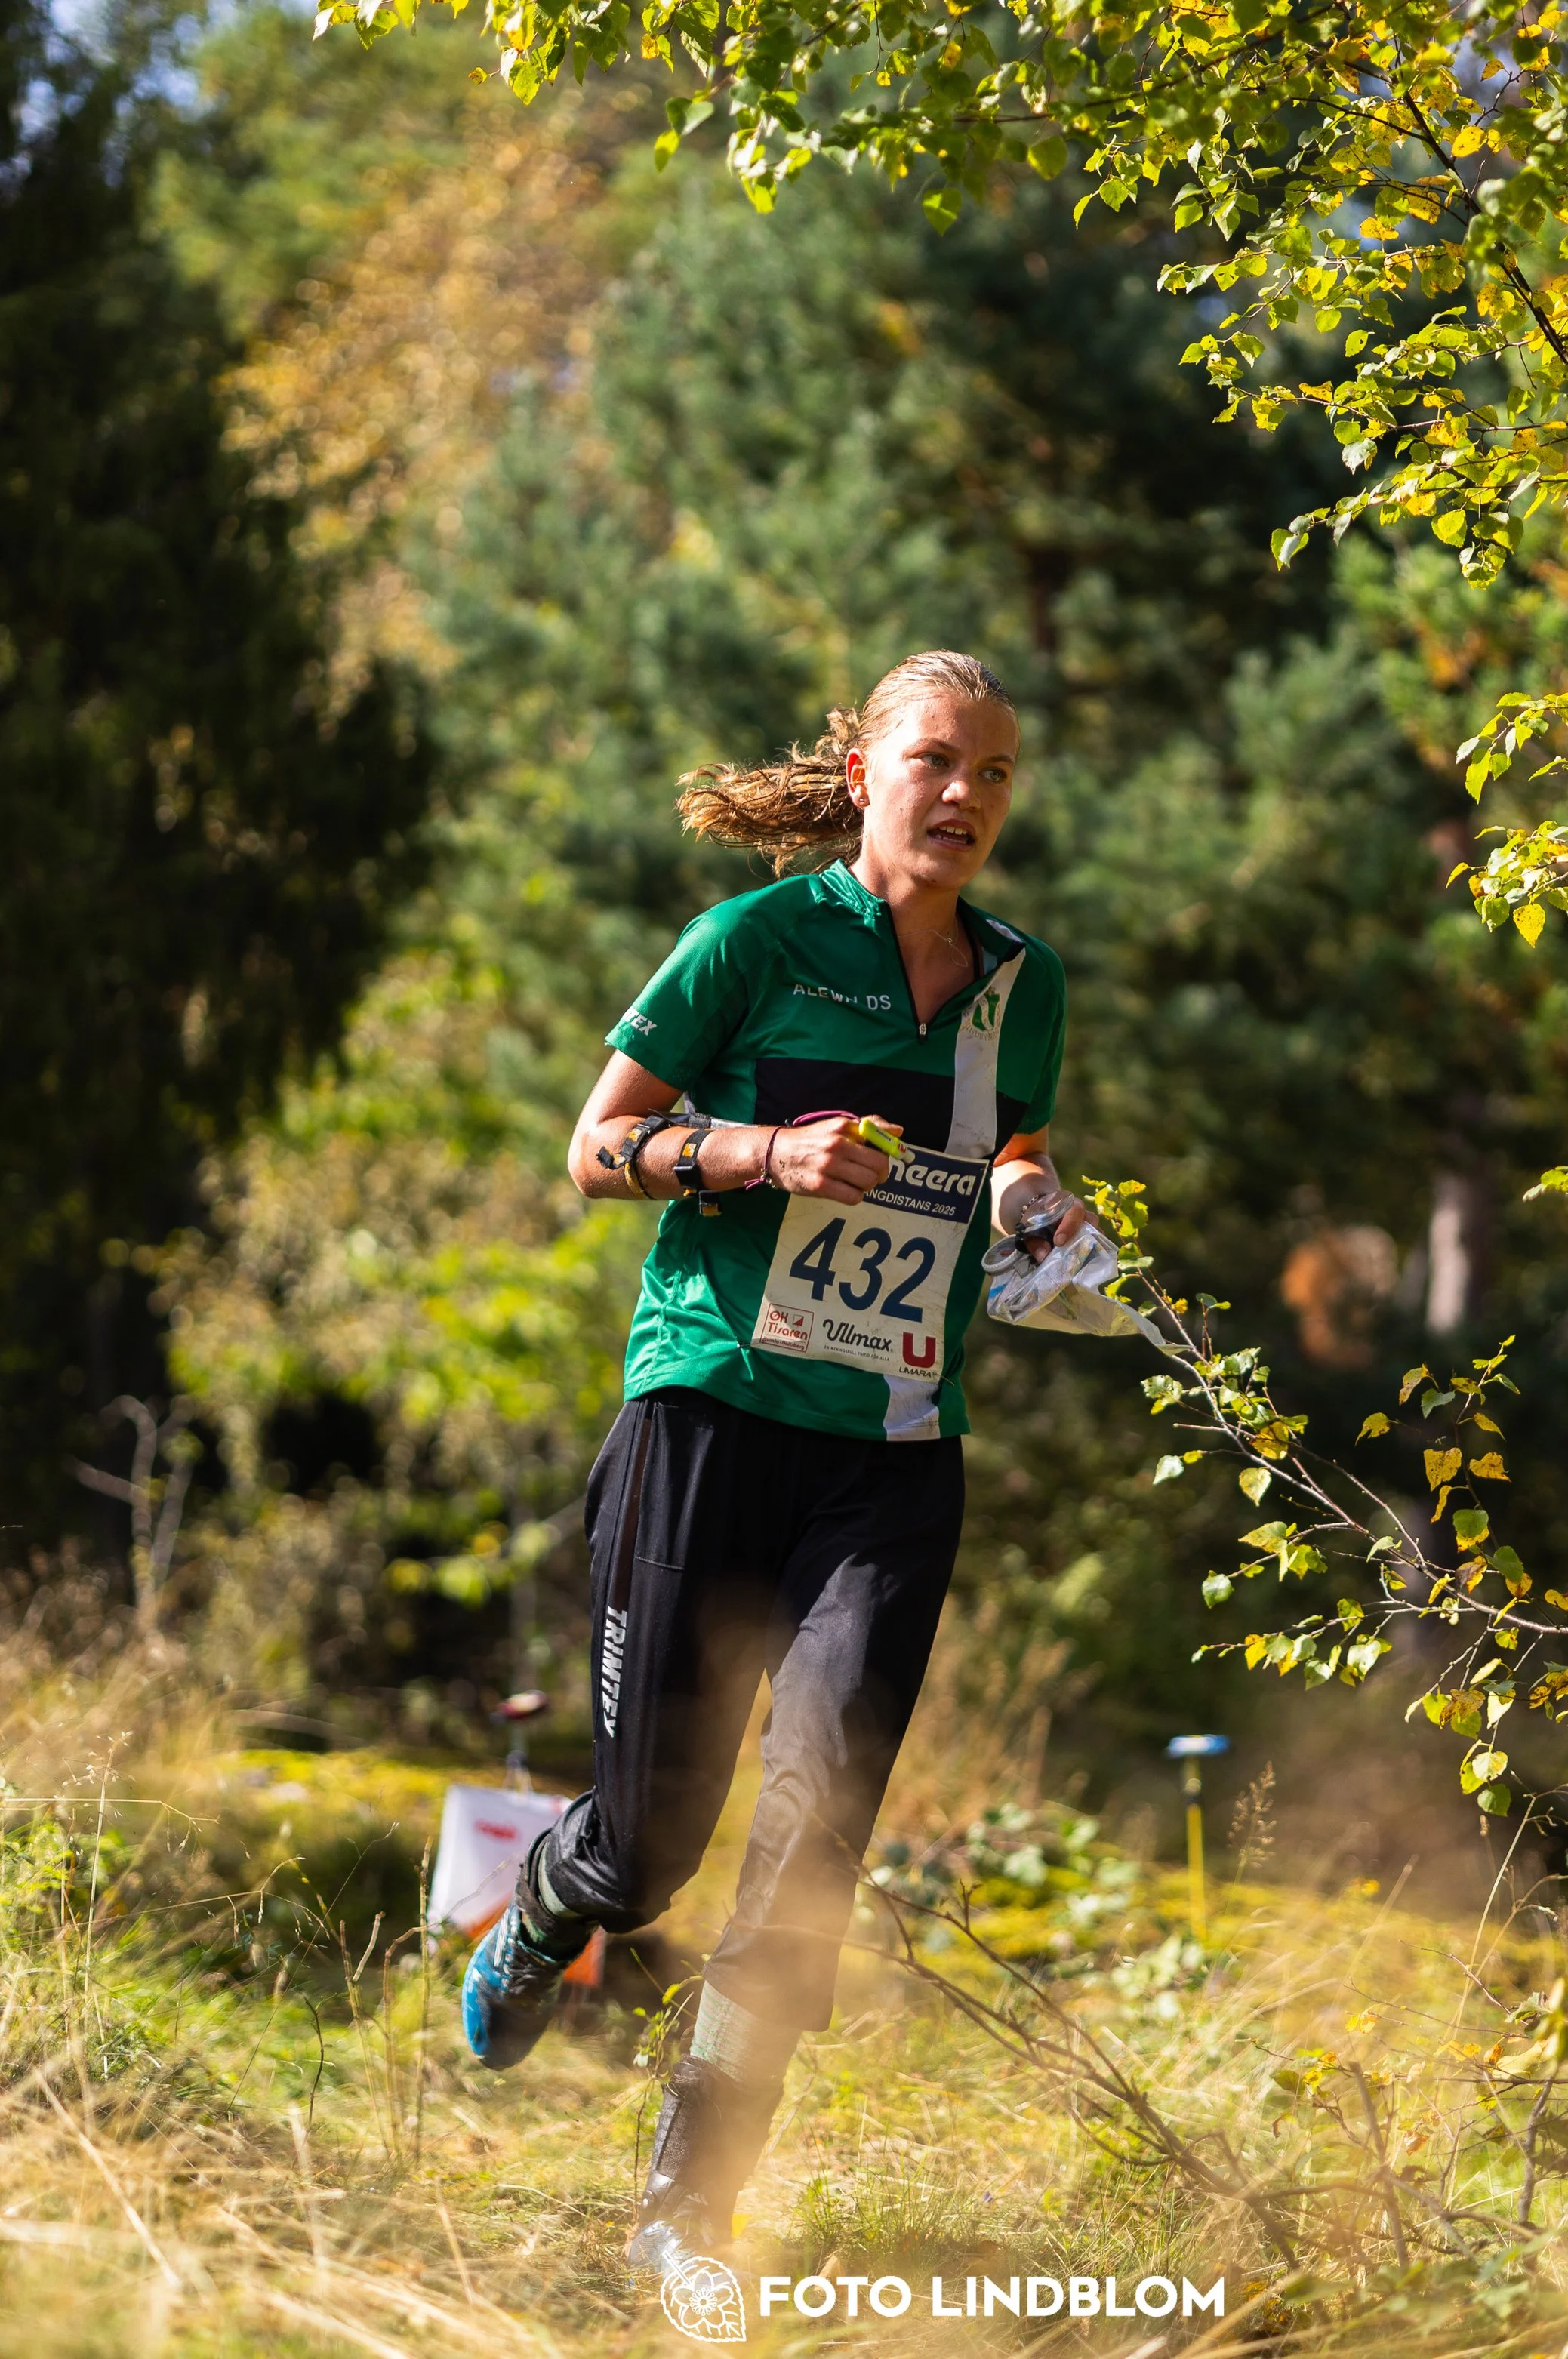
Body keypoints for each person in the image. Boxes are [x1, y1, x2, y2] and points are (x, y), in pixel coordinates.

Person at [458, 649, 1088, 2302]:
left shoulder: (1023, 984)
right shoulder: (753, 943)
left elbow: (1005, 1144)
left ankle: (687, 2211)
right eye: (935, 760)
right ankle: (548, 1899)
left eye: (994, 773)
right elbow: (599, 1144)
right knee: (651, 1842)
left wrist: (1035, 1208)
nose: (963, 795)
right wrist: (757, 1152)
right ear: (867, 767)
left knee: (811, 1846)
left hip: (888, 1449)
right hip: (709, 1414)